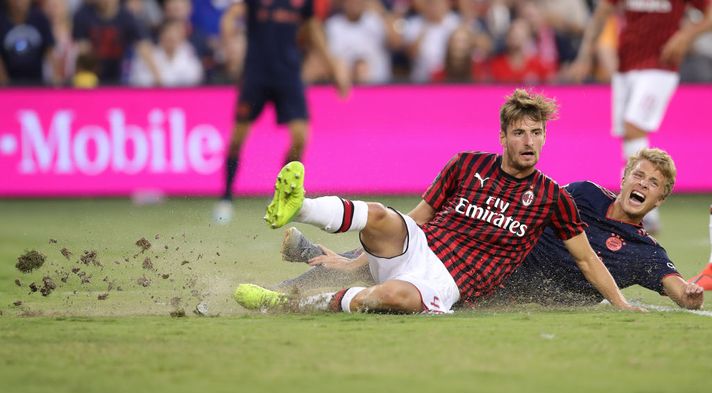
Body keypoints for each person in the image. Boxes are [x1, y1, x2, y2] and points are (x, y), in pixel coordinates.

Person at [234, 89, 641, 314]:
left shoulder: (552, 196)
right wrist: (356, 260)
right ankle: (301, 205)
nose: (529, 141)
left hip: (446, 281)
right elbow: (417, 218)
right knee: (380, 216)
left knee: (394, 297)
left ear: (544, 138)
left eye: (536, 133)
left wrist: (620, 303)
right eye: (520, 133)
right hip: (419, 244)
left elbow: (587, 259)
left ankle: (291, 302)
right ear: (503, 136)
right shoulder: (465, 165)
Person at [276, 148, 704, 310]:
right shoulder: (584, 194)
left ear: (659, 200)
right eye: (639, 175)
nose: (643, 184)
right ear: (625, 175)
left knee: (390, 275)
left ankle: (313, 261)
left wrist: (693, 291)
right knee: (374, 259)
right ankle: (288, 290)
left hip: (499, 286)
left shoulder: (645, 252)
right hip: (492, 252)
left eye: (654, 184)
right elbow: (535, 204)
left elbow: (680, 292)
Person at [569, 0, 712, 233]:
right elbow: (603, 12)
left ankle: (645, 212)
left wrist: (686, 36)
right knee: (628, 136)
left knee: (633, 128)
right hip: (626, 64)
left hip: (660, 65)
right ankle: (633, 209)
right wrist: (585, 56)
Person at [214, 0, 351, 224]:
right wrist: (229, 43)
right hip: (255, 75)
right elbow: (232, 15)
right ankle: (226, 198)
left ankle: (280, 195)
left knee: (300, 137)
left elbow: (313, 30)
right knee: (237, 138)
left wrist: (332, 67)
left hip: (288, 75)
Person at [0, 0, 57, 86]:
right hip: (10, 83)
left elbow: (50, 52)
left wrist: (55, 81)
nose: (18, 2)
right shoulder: (2, 21)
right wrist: (5, 86)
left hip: (38, 83)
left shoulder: (39, 18)